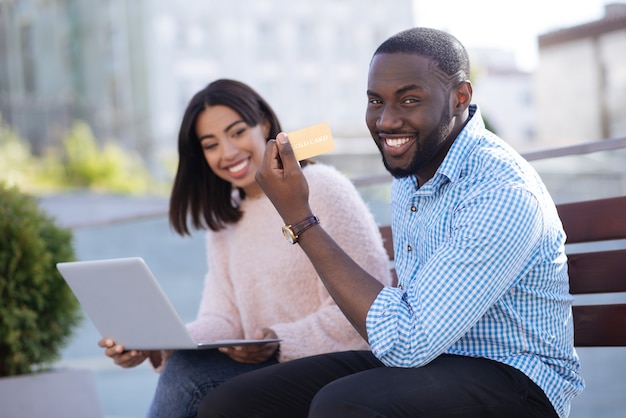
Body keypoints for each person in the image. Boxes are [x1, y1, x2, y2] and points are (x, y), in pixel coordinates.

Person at [196, 28, 585, 418]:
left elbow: (408, 340)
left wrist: (300, 218)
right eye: (375, 101)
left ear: (460, 97)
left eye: (409, 100)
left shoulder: (501, 191)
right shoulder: (411, 174)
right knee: (231, 404)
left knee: (341, 405)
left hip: (518, 382)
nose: (386, 120)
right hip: (429, 362)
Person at [97, 79, 393, 417]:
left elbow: (367, 310)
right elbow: (222, 318)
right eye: (210, 144)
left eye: (236, 132)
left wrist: (277, 339)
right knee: (186, 367)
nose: (227, 152)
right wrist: (159, 342)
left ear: (264, 125)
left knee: (192, 378)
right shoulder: (226, 219)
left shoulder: (323, 188)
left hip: (339, 366)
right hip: (271, 371)